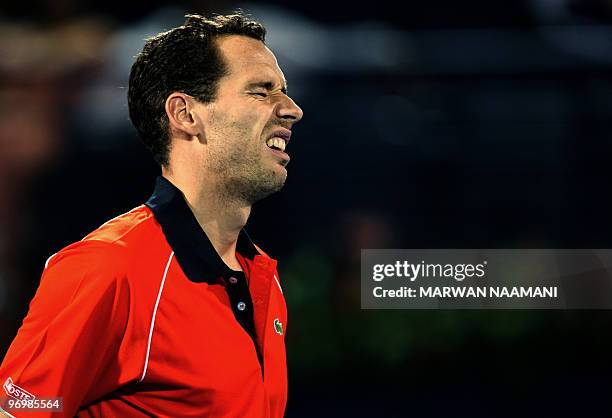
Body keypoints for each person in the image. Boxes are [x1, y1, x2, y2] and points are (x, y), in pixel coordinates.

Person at [0, 12, 303, 418]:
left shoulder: (262, 277)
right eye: (261, 91)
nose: (292, 109)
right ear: (186, 114)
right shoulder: (107, 267)